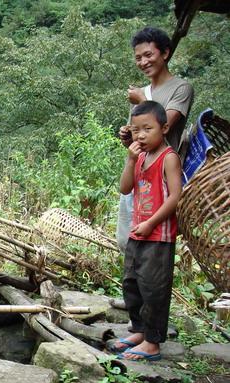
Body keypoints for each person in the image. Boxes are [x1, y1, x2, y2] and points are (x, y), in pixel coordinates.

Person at [110, 101, 182, 361]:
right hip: (137, 232)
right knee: (132, 283)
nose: (140, 135)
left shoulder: (169, 158)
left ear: (163, 128)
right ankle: (139, 330)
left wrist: (152, 222)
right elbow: (125, 188)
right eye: (136, 130)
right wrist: (130, 159)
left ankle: (152, 342)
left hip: (158, 236)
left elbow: (175, 196)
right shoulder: (140, 156)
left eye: (147, 129)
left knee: (153, 289)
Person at [116, 26, 194, 251]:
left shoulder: (181, 88)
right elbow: (141, 138)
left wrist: (141, 100)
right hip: (137, 172)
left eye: (149, 55)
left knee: (154, 241)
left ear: (165, 53)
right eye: (138, 58)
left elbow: (165, 127)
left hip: (161, 176)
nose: (143, 62)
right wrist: (126, 135)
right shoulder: (140, 92)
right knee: (127, 240)